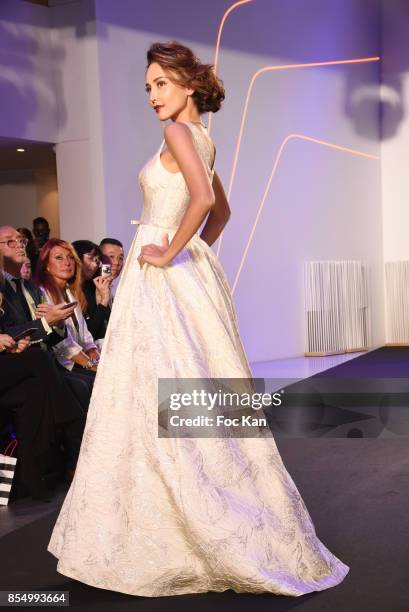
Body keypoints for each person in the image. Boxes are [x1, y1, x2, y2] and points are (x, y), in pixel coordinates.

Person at [48, 41, 349, 596]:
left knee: (155, 389)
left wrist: (167, 252)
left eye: (161, 84)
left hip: (161, 276)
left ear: (189, 85)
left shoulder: (180, 134)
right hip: (179, 276)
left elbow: (206, 200)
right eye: (147, 87)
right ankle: (204, 503)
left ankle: (179, 514)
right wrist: (193, 253)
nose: (152, 97)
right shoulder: (203, 140)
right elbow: (221, 210)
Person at [0, 252, 86, 501]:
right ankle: (72, 425)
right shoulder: (20, 287)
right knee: (40, 360)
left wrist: (14, 343)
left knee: (35, 390)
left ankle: (33, 480)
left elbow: (10, 330)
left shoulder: (15, 287)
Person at [0, 226, 92, 415]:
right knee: (73, 382)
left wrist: (55, 323)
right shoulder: (16, 289)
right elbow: (15, 330)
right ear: (46, 265)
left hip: (36, 360)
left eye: (22, 241)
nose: (19, 246)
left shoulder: (30, 287)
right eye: (11, 241)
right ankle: (75, 429)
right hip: (23, 360)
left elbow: (83, 337)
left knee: (83, 384)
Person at [35, 239, 100, 392]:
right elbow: (61, 343)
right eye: (59, 258)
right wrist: (92, 365)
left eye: (70, 257)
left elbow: (85, 336)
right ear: (47, 266)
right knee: (98, 384)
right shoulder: (41, 293)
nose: (67, 262)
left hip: (79, 360)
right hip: (60, 364)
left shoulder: (71, 292)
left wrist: (96, 356)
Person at [72, 240, 112, 348]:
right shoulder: (68, 288)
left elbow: (102, 330)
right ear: (76, 256)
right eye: (90, 258)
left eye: (97, 261)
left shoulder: (92, 287)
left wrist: (102, 300)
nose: (94, 265)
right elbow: (88, 335)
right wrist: (103, 302)